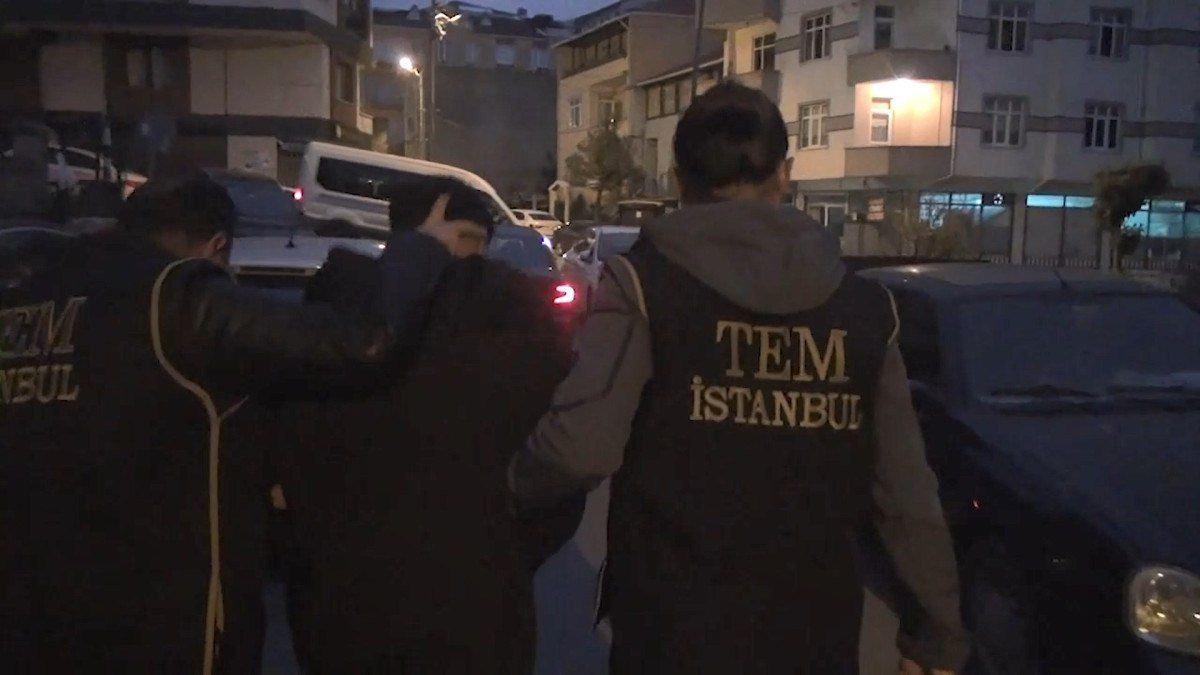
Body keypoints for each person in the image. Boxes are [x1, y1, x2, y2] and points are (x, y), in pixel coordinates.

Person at [509, 82, 969, 674]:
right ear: (785, 174)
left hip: (673, 628)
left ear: (678, 179)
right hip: (813, 632)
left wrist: (502, 490)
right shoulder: (865, 310)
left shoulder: (644, 285)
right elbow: (906, 494)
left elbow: (579, 449)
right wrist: (936, 633)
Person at [0, 173, 465, 674]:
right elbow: (365, 343)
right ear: (216, 246)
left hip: (31, 621)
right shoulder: (175, 298)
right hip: (157, 626)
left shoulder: (27, 303)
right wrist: (420, 246)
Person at [263, 178, 577, 673]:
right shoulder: (505, 326)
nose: (472, 258)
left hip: (352, 610)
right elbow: (563, 466)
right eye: (466, 239)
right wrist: (509, 550)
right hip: (459, 611)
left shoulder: (340, 322)